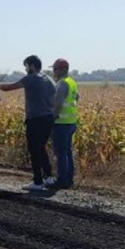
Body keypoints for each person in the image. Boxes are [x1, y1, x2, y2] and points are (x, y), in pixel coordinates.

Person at [0, 55, 57, 191]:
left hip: (35, 119)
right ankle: (48, 177)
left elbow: (9, 87)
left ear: (32, 66)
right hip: (48, 118)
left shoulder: (31, 78)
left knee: (34, 149)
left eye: (26, 66)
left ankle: (37, 181)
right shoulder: (49, 79)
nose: (25, 69)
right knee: (41, 147)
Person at [51, 59, 79, 189]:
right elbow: (77, 98)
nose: (54, 71)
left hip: (61, 123)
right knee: (67, 151)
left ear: (63, 69)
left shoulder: (62, 83)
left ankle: (62, 180)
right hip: (71, 122)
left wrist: (53, 116)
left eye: (55, 69)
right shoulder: (72, 82)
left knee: (61, 153)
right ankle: (69, 179)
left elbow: (58, 102)